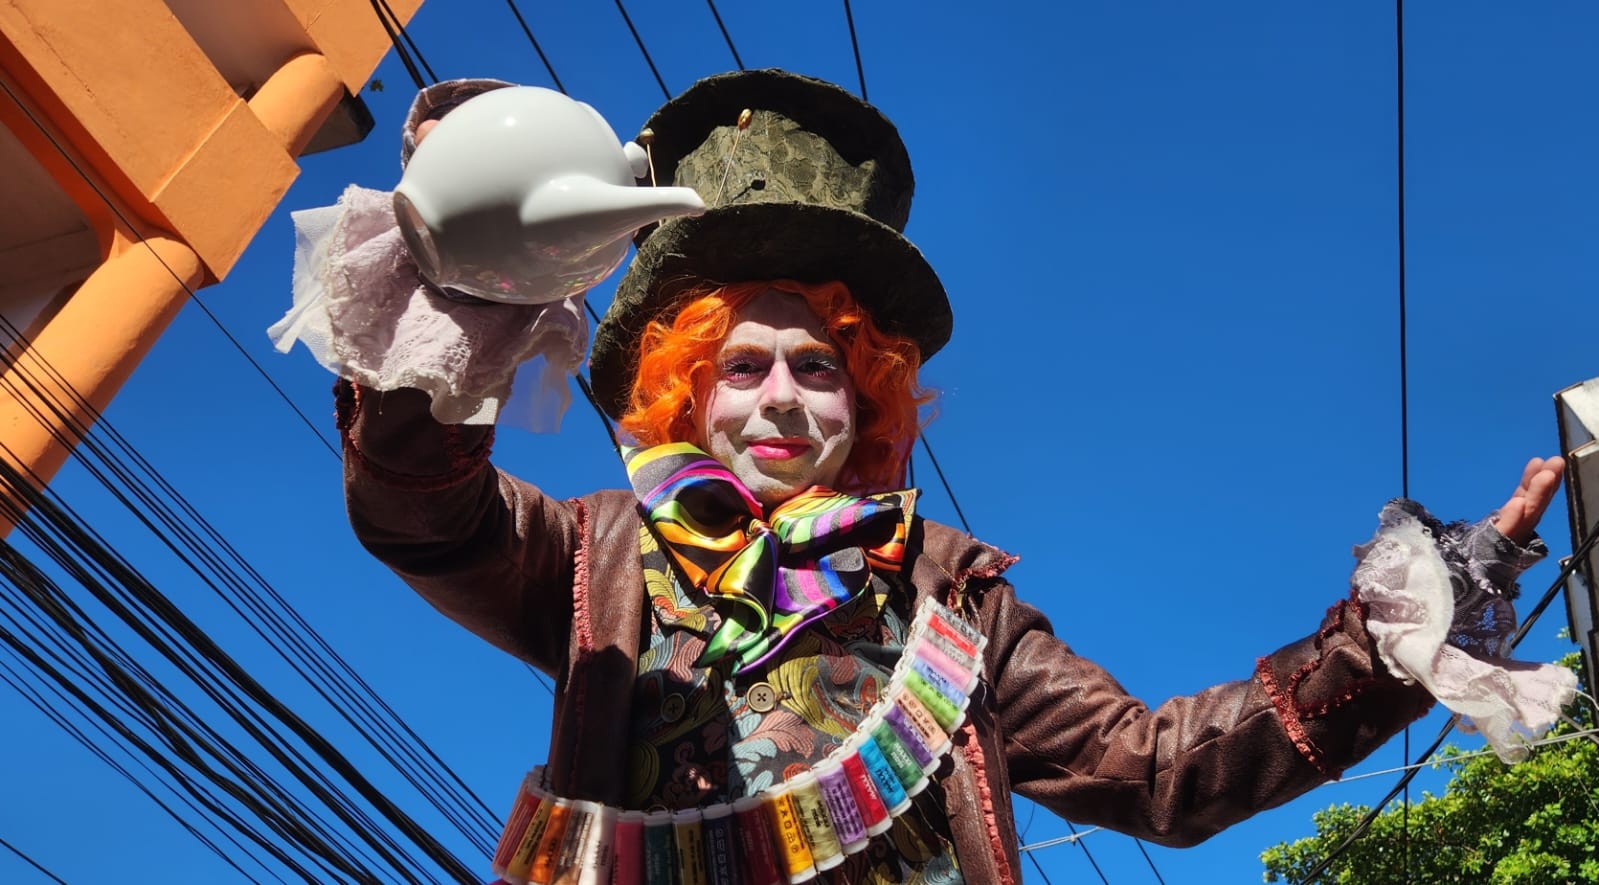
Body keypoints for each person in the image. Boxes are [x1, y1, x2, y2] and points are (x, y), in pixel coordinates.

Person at [278, 70, 1573, 884]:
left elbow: (1158, 770)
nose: (783, 392)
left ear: (869, 399)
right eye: (743, 365)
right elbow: (420, 506)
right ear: (681, 388)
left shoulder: (958, 605)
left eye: (820, 364)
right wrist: (454, 279)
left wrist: (1404, 622)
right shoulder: (599, 553)